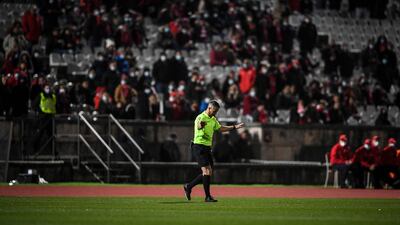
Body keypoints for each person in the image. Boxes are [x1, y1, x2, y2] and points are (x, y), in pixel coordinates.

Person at [183, 100, 245, 202]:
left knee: (208, 172)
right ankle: (207, 197)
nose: (215, 113)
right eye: (214, 111)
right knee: (206, 171)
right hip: (199, 147)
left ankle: (188, 186)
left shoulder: (213, 119)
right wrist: (200, 125)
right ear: (209, 108)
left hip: (207, 148)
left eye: (216, 112)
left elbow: (220, 128)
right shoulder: (201, 117)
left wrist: (234, 127)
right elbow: (198, 125)